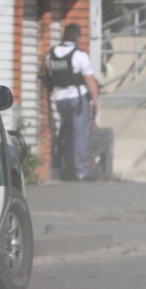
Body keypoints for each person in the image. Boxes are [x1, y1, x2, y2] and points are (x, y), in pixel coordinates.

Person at [45, 23, 100, 181]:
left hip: (59, 100)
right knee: (80, 135)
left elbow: (49, 77)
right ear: (77, 37)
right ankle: (81, 172)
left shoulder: (51, 54)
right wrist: (96, 101)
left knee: (68, 134)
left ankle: (68, 170)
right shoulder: (79, 55)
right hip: (77, 100)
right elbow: (89, 78)